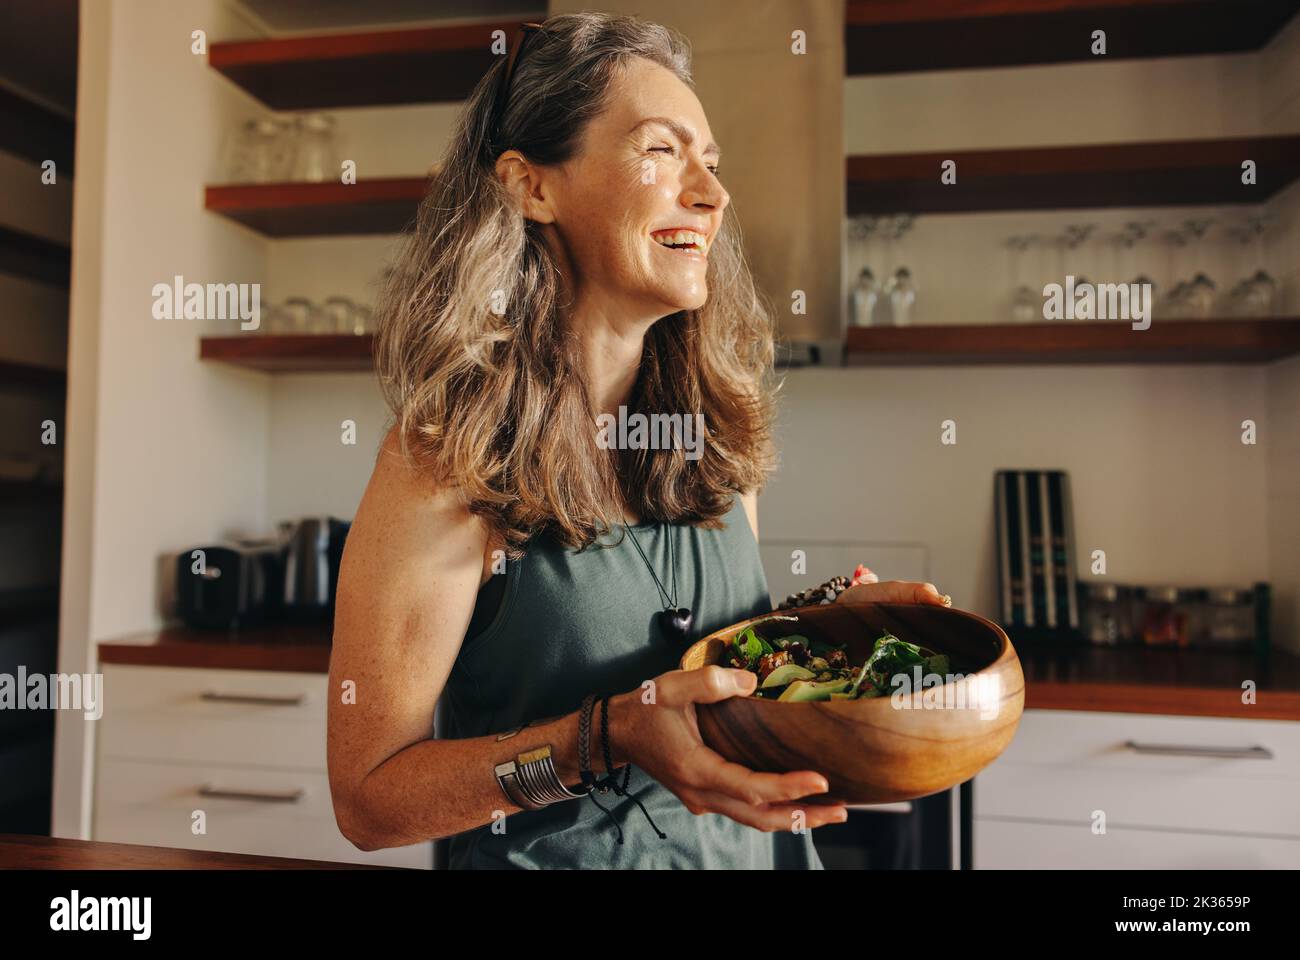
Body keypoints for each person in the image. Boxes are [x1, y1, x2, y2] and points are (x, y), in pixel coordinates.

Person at [326, 11, 951, 870]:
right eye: (661, 151)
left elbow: (715, 672)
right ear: (531, 186)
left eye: (713, 163)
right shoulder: (443, 457)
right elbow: (369, 799)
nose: (712, 192)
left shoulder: (715, 434)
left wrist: (822, 626)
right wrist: (603, 737)